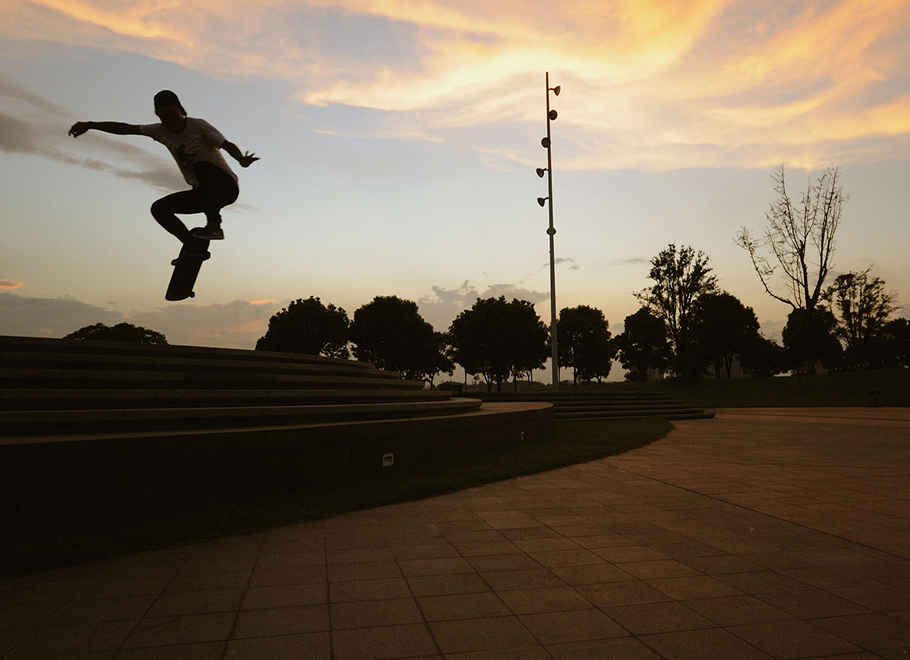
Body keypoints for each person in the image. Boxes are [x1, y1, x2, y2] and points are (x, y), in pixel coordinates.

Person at [69, 90, 258, 262]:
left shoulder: (198, 126)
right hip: (205, 194)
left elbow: (226, 144)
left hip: (225, 186)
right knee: (159, 209)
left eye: (173, 115)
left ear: (182, 111)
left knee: (201, 167)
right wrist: (90, 125)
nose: (169, 121)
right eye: (163, 117)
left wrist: (240, 158)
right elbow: (125, 128)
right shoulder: (159, 131)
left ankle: (214, 225)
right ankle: (191, 247)